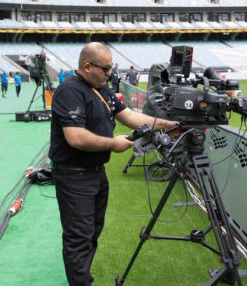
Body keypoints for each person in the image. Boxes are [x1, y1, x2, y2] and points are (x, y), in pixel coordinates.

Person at [48, 42, 177, 285]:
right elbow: (75, 137)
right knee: (79, 238)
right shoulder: (69, 91)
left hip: (96, 174)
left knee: (92, 233)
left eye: (111, 69)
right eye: (106, 69)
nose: (110, 74)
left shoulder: (101, 89)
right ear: (87, 67)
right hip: (74, 177)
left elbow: (130, 117)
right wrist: (112, 143)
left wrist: (167, 124)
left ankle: (82, 277)